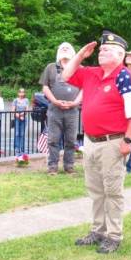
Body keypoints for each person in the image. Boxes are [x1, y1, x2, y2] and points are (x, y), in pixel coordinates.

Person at [61, 30, 131, 254]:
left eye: (107, 50)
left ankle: (114, 235)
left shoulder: (125, 78)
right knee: (95, 189)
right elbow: (65, 76)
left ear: (120, 54)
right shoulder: (92, 73)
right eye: (100, 49)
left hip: (113, 142)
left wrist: (128, 140)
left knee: (112, 190)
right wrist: (80, 55)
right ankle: (98, 230)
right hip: (90, 141)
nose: (100, 52)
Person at [39, 42, 82, 174]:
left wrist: (75, 102)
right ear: (58, 52)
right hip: (54, 110)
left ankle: (69, 166)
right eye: (62, 48)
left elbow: (84, 88)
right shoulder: (51, 67)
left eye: (67, 48)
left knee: (71, 139)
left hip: (72, 111)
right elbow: (45, 87)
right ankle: (52, 167)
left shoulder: (79, 68)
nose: (64, 49)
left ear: (73, 51)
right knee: (53, 139)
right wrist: (55, 101)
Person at [11, 88, 29, 155]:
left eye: (23, 92)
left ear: (24, 93)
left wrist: (22, 114)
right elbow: (13, 110)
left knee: (22, 133)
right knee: (17, 133)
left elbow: (27, 109)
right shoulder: (15, 100)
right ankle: (17, 148)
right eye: (20, 92)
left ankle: (22, 148)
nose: (21, 93)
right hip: (17, 118)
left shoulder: (26, 100)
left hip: (24, 118)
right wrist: (17, 115)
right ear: (18, 93)